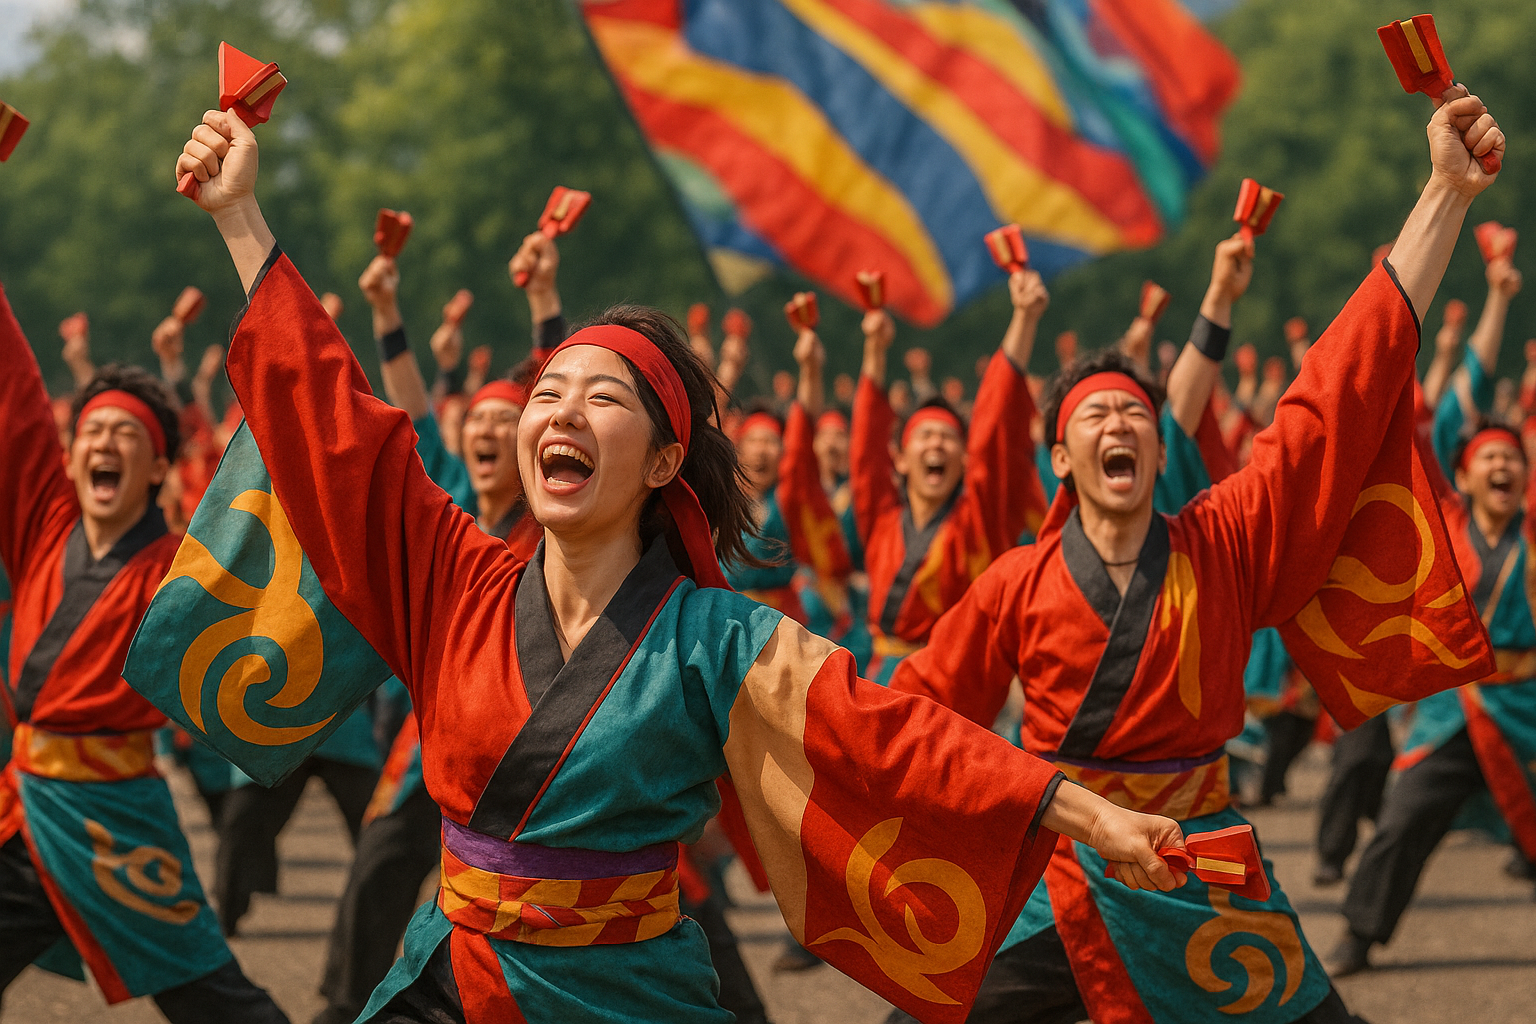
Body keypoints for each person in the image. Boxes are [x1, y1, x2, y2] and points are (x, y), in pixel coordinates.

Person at [163, 107, 1190, 1024]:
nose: (561, 409)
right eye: (548, 391)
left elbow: (898, 737)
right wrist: (241, 218)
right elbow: (339, 434)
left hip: (629, 992)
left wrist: (1095, 816)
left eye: (602, 396)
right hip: (453, 982)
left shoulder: (718, 639)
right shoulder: (454, 579)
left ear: (662, 460)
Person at [887, 88, 1505, 1024]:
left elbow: (1334, 395)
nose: (1120, 421)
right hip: (1063, 869)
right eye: (1094, 413)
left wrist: (1444, 197)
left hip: (1200, 863)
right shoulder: (1018, 581)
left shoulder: (1223, 540)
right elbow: (916, 708)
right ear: (1061, 458)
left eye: (1134, 410)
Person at [0, 287, 286, 1020]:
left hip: (115, 819)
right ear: (66, 456)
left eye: (125, 436)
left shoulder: (180, 573)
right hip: (23, 806)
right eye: (90, 432)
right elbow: (14, 393)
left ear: (159, 469)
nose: (102, 445)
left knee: (209, 998)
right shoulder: (42, 526)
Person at [311, 231, 555, 1024]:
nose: (486, 432)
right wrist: (385, 313)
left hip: (538, 735)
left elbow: (564, 396)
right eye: (475, 422)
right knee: (381, 862)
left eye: (506, 421)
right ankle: (343, 1003)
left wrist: (545, 305)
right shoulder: (446, 504)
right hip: (439, 727)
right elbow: (409, 417)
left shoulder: (556, 528)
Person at [1330, 249, 1534, 975]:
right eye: (1490, 459)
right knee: (1405, 816)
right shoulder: (1444, 520)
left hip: (1532, 705)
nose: (1504, 467)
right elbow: (1459, 399)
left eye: (1515, 459)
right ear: (1465, 469)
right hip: (1463, 705)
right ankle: (1357, 933)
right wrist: (1498, 298)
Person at [852, 268, 1049, 685]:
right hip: (881, 685)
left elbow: (994, 424)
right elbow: (865, 455)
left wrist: (1024, 320)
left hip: (955, 687)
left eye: (948, 437)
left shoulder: (979, 521)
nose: (937, 445)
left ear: (965, 459)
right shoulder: (881, 520)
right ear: (901, 459)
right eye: (924, 436)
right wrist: (874, 350)